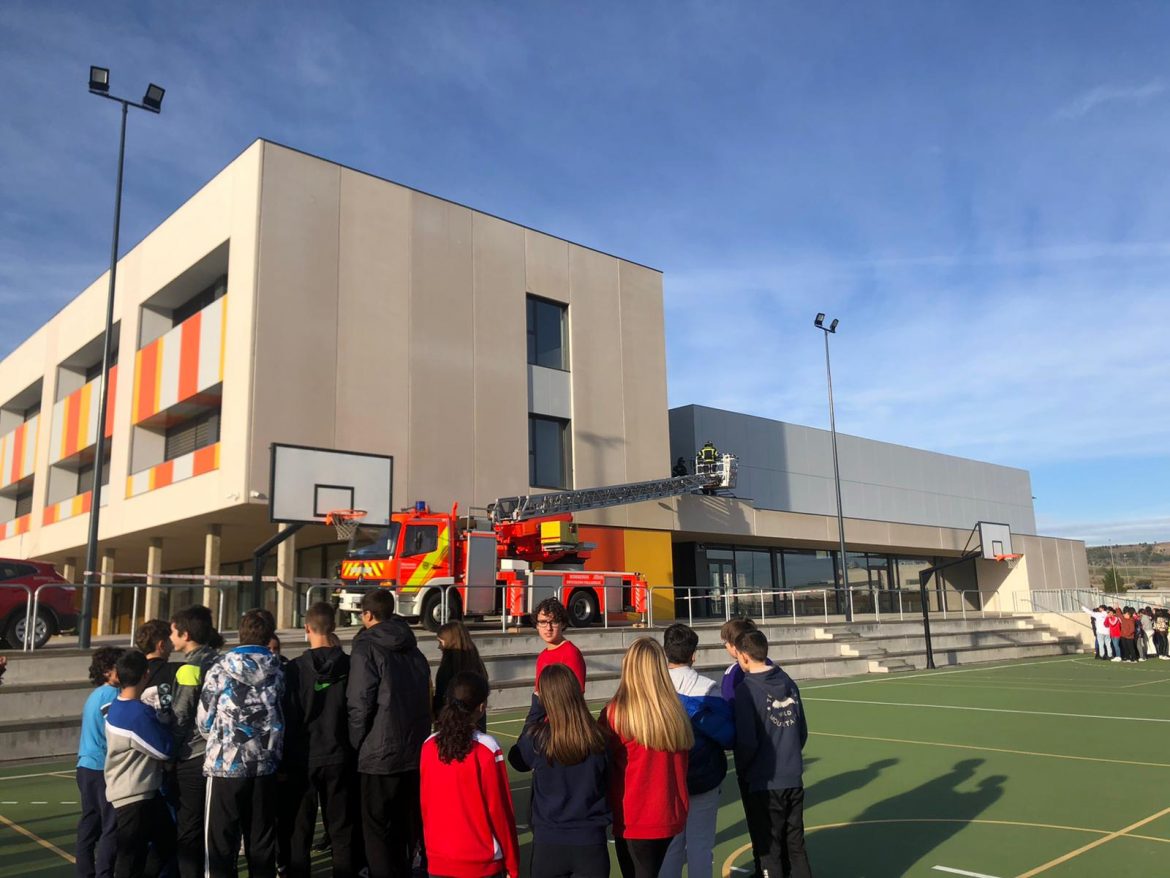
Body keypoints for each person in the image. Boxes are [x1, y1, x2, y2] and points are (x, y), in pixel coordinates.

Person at [347, 589, 432, 878]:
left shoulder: (366, 647)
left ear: (367, 615)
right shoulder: (412, 647)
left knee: (376, 829)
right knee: (403, 826)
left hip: (379, 751)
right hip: (412, 749)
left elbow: (360, 701)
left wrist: (356, 742)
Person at [198, 608, 286, 878]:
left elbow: (204, 720)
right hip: (264, 763)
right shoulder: (277, 670)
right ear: (269, 635)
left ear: (240, 633)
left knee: (220, 844)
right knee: (261, 840)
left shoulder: (219, 669)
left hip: (225, 764)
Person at [598, 637, 692, 878]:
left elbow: (601, 764)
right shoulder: (675, 711)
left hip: (634, 817)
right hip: (668, 813)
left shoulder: (615, 714)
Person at [281, 602, 360, 878]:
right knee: (341, 827)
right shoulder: (350, 665)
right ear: (334, 627)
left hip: (303, 757)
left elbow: (288, 715)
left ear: (307, 628)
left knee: (299, 829)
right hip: (339, 753)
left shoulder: (294, 669)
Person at [508, 664, 611, 878]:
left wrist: (535, 712)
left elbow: (517, 759)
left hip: (549, 842)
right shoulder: (599, 737)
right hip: (590, 841)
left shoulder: (538, 739)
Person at [420, 671, 520, 878]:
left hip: (438, 861)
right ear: (481, 707)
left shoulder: (428, 746)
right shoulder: (486, 749)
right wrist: (512, 865)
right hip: (481, 865)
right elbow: (500, 812)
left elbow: (426, 805)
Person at [733, 629, 812, 878]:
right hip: (793, 776)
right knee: (795, 845)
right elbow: (801, 731)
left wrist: (743, 768)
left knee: (770, 851)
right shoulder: (788, 682)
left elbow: (747, 741)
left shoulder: (747, 690)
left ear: (744, 656)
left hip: (765, 781)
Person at [661, 624, 735, 878]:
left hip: (668, 778)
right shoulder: (707, 688)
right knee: (700, 847)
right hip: (702, 778)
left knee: (671, 847)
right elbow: (728, 736)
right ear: (694, 655)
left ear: (666, 652)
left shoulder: (654, 688)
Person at [105, 650, 176, 878]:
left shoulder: (118, 706)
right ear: (146, 675)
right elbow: (164, 750)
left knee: (165, 840)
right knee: (129, 859)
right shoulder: (135, 713)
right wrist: (166, 722)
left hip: (141, 792)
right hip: (133, 795)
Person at [167, 605, 223, 878]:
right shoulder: (219, 660)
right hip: (218, 752)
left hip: (193, 754)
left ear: (185, 634)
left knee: (189, 827)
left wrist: (170, 754)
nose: (170, 637)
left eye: (173, 632)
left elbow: (181, 715)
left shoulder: (190, 668)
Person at [76, 646, 125, 878]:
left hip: (86, 766)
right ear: (107, 671)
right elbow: (115, 730)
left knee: (90, 824)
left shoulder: (95, 694)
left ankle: (84, 872)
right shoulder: (110, 695)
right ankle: (104, 873)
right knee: (110, 826)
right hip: (100, 768)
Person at [434, 620, 488, 731]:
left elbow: (441, 698)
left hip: (451, 726)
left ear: (450, 642)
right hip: (476, 723)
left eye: (441, 642)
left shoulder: (448, 668)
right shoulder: (477, 664)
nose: (439, 647)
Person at [534, 597, 586, 691]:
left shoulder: (571, 653)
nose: (548, 628)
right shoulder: (542, 656)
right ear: (537, 626)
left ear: (563, 624)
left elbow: (576, 693)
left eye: (554, 622)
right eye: (543, 622)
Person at [134, 619, 175, 716]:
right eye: (170, 642)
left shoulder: (133, 671)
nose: (173, 647)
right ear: (162, 645)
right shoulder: (174, 670)